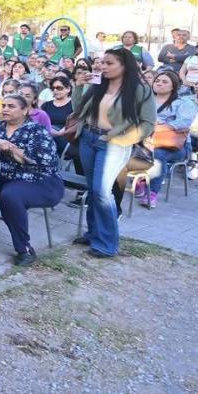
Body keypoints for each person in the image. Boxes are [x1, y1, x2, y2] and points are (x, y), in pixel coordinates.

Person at [70, 48, 156, 257]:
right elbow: (78, 110)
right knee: (93, 188)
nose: (102, 66)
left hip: (113, 142)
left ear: (124, 66)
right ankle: (93, 233)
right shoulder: (98, 84)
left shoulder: (140, 90)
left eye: (109, 63)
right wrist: (79, 87)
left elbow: (148, 123)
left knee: (102, 191)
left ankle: (106, 244)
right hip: (89, 138)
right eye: (102, 62)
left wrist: (124, 140)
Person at [0, 94, 64, 266]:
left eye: (11, 106)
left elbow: (43, 160)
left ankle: (24, 249)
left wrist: (10, 149)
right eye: (3, 105)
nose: (5, 109)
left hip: (40, 181)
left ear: (25, 110)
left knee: (10, 196)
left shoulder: (36, 130)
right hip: (4, 179)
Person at [141, 71, 196, 207]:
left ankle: (152, 193)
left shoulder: (183, 102)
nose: (159, 83)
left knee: (158, 155)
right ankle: (140, 182)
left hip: (175, 145)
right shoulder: (145, 99)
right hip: (145, 140)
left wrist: (158, 127)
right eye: (158, 80)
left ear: (173, 86)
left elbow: (183, 123)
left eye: (165, 82)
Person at [42, 75, 74, 156]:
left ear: (68, 89)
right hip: (47, 136)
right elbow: (39, 122)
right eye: (53, 88)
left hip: (65, 137)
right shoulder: (46, 105)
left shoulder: (74, 105)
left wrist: (59, 133)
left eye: (59, 88)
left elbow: (74, 123)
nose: (55, 90)